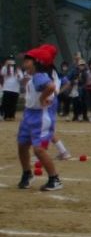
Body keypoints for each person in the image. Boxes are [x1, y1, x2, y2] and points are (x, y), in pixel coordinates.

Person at [15, 45, 62, 191]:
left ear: (37, 62)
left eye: (28, 60)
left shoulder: (39, 76)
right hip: (29, 113)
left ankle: (55, 179)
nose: (24, 62)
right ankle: (27, 173)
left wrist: (42, 98)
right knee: (22, 144)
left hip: (40, 116)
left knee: (38, 149)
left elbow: (51, 86)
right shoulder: (33, 76)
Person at [1, 56, 20, 121]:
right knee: (6, 103)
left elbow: (21, 78)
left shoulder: (17, 69)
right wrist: (6, 65)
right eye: (9, 60)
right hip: (7, 88)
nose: (11, 61)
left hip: (15, 89)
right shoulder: (5, 68)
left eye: (12, 60)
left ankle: (11, 116)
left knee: (13, 103)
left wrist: (18, 75)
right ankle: (6, 116)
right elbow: (2, 73)